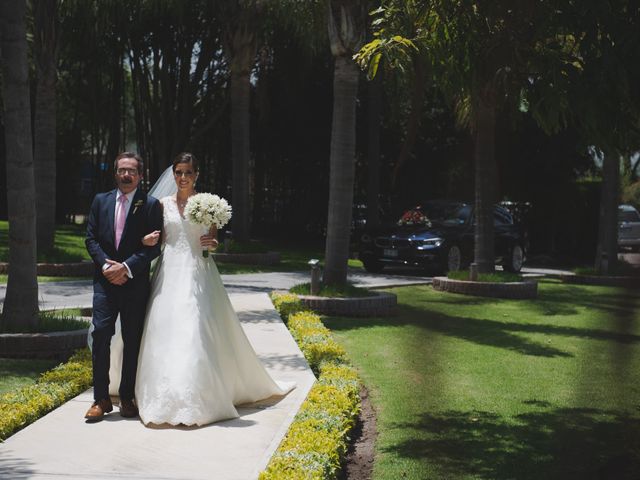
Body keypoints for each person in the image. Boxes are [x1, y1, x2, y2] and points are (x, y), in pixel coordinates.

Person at [134, 152, 294, 426]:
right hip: (169, 270)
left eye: (187, 172)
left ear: (196, 175)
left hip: (199, 271)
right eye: (178, 172)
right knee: (164, 327)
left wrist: (213, 244)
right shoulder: (162, 205)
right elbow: (157, 238)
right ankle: (162, 394)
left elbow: (213, 240)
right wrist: (147, 240)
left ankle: (200, 396)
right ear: (173, 175)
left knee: (197, 326)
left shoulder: (207, 203)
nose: (182, 178)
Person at [85, 152, 163, 422]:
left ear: (140, 175)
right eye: (121, 170)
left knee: (132, 340)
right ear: (115, 173)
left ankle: (127, 398)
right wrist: (107, 267)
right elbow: (91, 239)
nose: (126, 175)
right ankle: (101, 399)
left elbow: (155, 247)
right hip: (104, 284)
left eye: (131, 171)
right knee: (101, 337)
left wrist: (126, 267)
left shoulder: (151, 205)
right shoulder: (100, 201)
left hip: (134, 284)